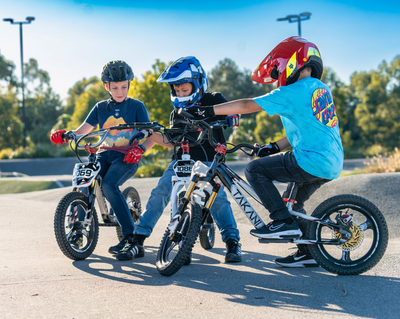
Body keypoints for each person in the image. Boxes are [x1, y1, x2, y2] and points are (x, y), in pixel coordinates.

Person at [183, 37, 344, 268]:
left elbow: (248, 105)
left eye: (278, 70)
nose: (277, 78)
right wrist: (275, 147)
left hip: (309, 159)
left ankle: (281, 221)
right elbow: (306, 131)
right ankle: (308, 252)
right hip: (330, 161)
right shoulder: (320, 89)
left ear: (291, 63)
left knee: (254, 169)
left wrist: (206, 110)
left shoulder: (294, 90)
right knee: (292, 203)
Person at [114, 56, 243, 263]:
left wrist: (231, 116)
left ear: (198, 83)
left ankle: (232, 242)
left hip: (209, 160)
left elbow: (233, 110)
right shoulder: (177, 112)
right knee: (161, 192)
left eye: (185, 90)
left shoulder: (214, 99)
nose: (180, 94)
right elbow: (169, 140)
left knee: (217, 200)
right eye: (176, 91)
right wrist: (147, 133)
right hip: (181, 160)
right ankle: (138, 240)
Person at [50, 60, 153, 254]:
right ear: (107, 86)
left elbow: (150, 133)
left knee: (108, 185)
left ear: (129, 84)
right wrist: (66, 134)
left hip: (126, 157)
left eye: (124, 87)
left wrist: (140, 149)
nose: (120, 92)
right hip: (103, 154)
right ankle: (78, 228)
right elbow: (82, 130)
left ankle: (130, 236)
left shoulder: (137, 106)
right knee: (85, 183)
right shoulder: (100, 107)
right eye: (115, 87)